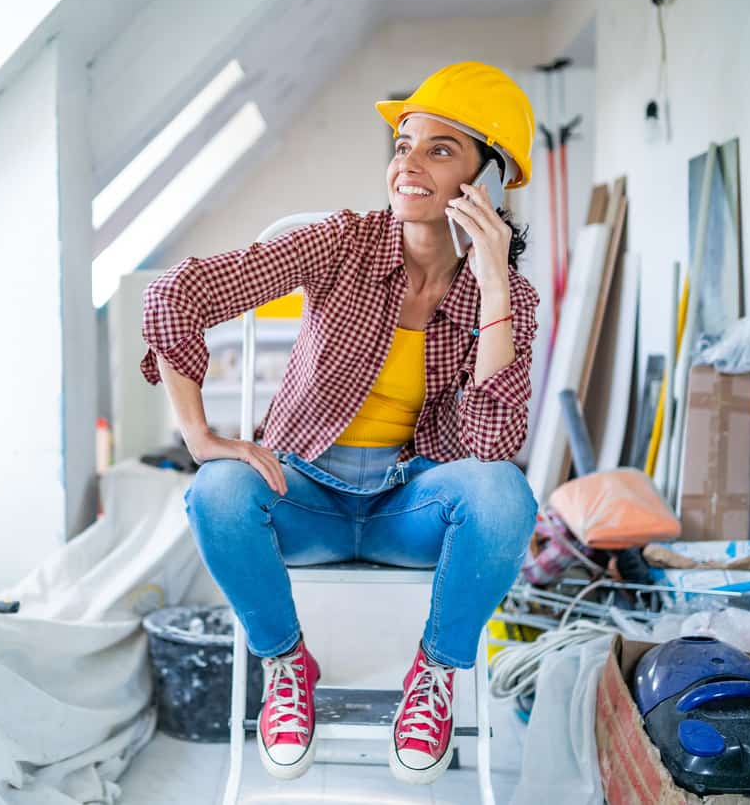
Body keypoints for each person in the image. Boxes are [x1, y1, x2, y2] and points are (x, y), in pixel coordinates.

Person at [139, 61, 540, 786]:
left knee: (506, 495)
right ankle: (287, 665)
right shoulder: (342, 243)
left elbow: (490, 449)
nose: (407, 164)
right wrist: (202, 436)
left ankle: (435, 677)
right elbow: (179, 292)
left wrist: (491, 283)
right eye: (403, 144)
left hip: (410, 509)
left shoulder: (509, 297)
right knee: (217, 491)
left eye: (439, 149)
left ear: (485, 183)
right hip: (306, 498)